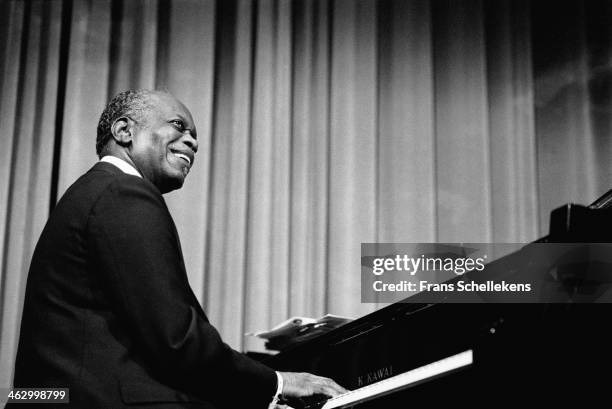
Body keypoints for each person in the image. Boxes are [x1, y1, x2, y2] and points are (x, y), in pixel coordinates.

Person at [10, 89, 346, 408]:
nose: (193, 143)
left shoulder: (97, 192)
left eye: (195, 136)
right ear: (124, 130)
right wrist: (279, 384)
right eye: (179, 125)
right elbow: (177, 341)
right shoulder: (123, 193)